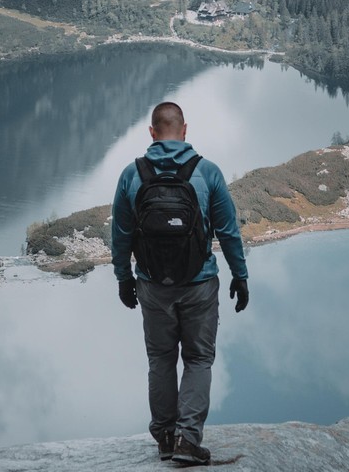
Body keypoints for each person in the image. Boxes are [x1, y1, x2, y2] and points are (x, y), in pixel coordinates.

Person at [111, 101, 249, 466]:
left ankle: (165, 438)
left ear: (152, 133)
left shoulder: (131, 174)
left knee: (160, 359)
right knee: (199, 358)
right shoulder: (208, 172)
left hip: (152, 286)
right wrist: (241, 276)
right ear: (184, 130)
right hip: (199, 284)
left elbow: (121, 235)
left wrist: (124, 279)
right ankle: (188, 440)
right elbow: (229, 232)